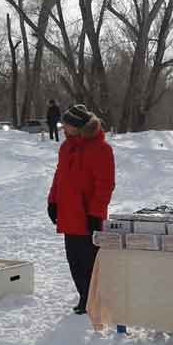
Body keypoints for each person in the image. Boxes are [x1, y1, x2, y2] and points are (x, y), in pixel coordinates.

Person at [47, 104, 115, 314]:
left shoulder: (101, 149)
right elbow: (59, 176)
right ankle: (85, 296)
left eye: (66, 124)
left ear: (77, 126)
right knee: (74, 260)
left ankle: (96, 298)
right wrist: (53, 201)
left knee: (91, 261)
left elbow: (105, 184)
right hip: (68, 215)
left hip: (88, 217)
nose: (62, 128)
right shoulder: (66, 147)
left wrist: (95, 213)